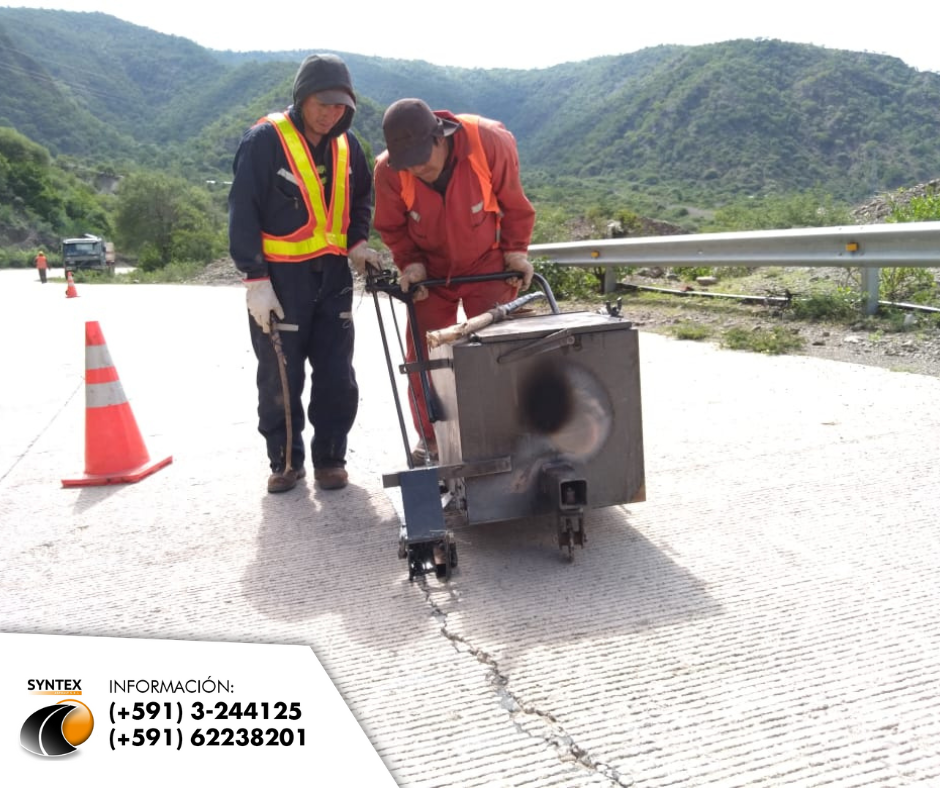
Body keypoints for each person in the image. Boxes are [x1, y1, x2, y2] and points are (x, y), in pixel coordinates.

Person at [229, 54, 378, 493]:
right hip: (281, 280)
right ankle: (286, 462)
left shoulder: (349, 146)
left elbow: (362, 197)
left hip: (333, 278)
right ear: (302, 97)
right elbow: (242, 210)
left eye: (340, 106)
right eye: (323, 103)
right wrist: (255, 279)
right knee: (281, 375)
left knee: (336, 374)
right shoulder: (265, 140)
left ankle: (331, 458)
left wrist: (358, 242)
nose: (331, 113)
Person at [373, 98, 536, 464]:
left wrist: (515, 252)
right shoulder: (388, 171)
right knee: (423, 354)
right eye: (407, 163)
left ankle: (507, 433)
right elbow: (392, 227)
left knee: (501, 349)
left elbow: (514, 203)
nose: (416, 169)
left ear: (440, 138)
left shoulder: (488, 141)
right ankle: (431, 438)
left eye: (421, 159)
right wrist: (411, 265)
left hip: (487, 262)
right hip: (430, 272)